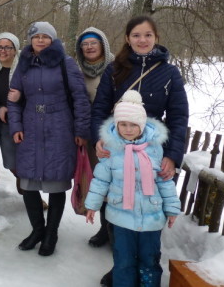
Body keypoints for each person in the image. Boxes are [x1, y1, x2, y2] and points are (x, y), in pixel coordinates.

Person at [90, 15, 188, 286]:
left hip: (154, 152)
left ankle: (145, 267)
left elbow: (179, 116)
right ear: (127, 39)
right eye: (136, 35)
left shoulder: (169, 73)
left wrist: (173, 155)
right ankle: (121, 267)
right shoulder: (115, 69)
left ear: (155, 37)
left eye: (147, 35)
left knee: (148, 206)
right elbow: (100, 108)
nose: (142, 40)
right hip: (119, 148)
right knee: (118, 205)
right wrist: (99, 137)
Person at [7, 21, 90, 255]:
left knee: (56, 184)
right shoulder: (23, 65)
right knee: (28, 183)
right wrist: (15, 127)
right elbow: (12, 100)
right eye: (36, 37)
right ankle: (37, 230)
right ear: (30, 41)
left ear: (53, 40)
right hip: (31, 129)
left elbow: (80, 98)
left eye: (46, 36)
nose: (41, 40)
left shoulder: (66, 63)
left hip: (59, 129)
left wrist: (81, 131)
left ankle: (51, 233)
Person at [85, 90, 179, 287]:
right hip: (121, 216)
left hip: (151, 217)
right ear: (117, 125)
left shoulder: (155, 149)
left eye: (133, 125)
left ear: (142, 125)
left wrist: (171, 209)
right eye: (123, 124)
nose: (128, 129)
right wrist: (92, 205)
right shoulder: (111, 149)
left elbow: (163, 181)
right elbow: (101, 180)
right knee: (123, 261)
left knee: (150, 260)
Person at [75, 27, 114, 248]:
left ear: (103, 45)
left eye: (93, 43)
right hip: (89, 135)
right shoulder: (78, 70)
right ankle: (104, 228)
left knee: (113, 182)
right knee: (97, 181)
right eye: (85, 44)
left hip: (113, 135)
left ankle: (113, 229)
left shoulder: (116, 68)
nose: (89, 47)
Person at [0, 32, 20, 175]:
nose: (3, 51)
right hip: (4, 124)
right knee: (12, 164)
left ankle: (30, 196)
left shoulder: (23, 71)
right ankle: (27, 194)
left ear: (15, 49)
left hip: (23, 124)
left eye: (8, 47)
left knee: (25, 163)